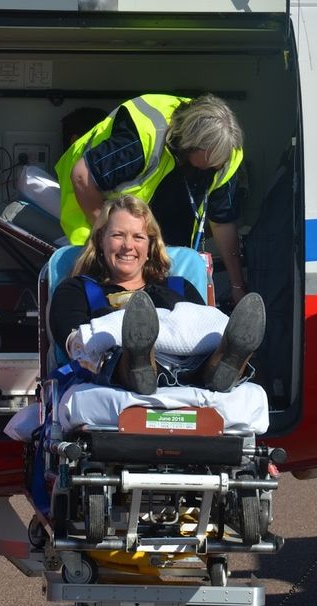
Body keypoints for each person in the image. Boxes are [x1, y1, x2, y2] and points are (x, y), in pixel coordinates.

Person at [49, 195, 265, 395]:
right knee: (114, 354)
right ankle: (138, 362)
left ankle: (227, 361)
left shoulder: (179, 288)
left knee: (205, 350)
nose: (128, 246)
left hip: (188, 365)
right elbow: (76, 345)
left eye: (138, 237)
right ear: (100, 240)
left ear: (150, 245)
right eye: (117, 235)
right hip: (113, 370)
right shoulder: (75, 290)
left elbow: (201, 328)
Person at [55, 94, 248, 307]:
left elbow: (222, 221)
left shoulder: (225, 152)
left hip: (158, 246)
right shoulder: (145, 135)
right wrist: (108, 234)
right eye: (210, 161)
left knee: (173, 303)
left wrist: (237, 286)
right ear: (190, 145)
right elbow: (82, 176)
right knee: (102, 298)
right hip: (98, 219)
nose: (216, 167)